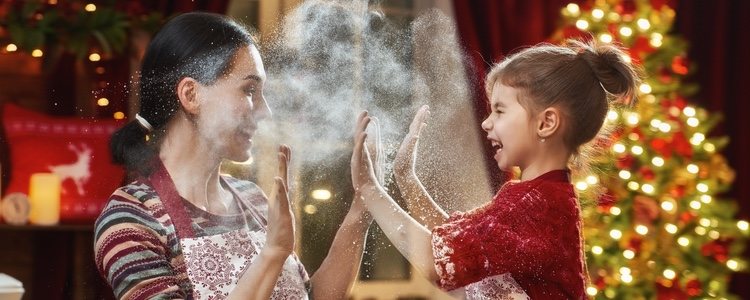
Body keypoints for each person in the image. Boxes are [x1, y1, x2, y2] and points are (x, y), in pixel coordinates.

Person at [94, 12, 373, 299]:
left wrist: (362, 207)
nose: (265, 111)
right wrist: (272, 254)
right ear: (191, 95)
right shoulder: (130, 218)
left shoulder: (251, 199)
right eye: (249, 89)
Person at [351, 39, 641, 299]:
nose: (486, 123)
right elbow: (456, 241)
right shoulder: (536, 197)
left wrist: (369, 188)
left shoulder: (536, 206)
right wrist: (407, 178)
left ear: (546, 123)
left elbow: (434, 260)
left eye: (500, 110)